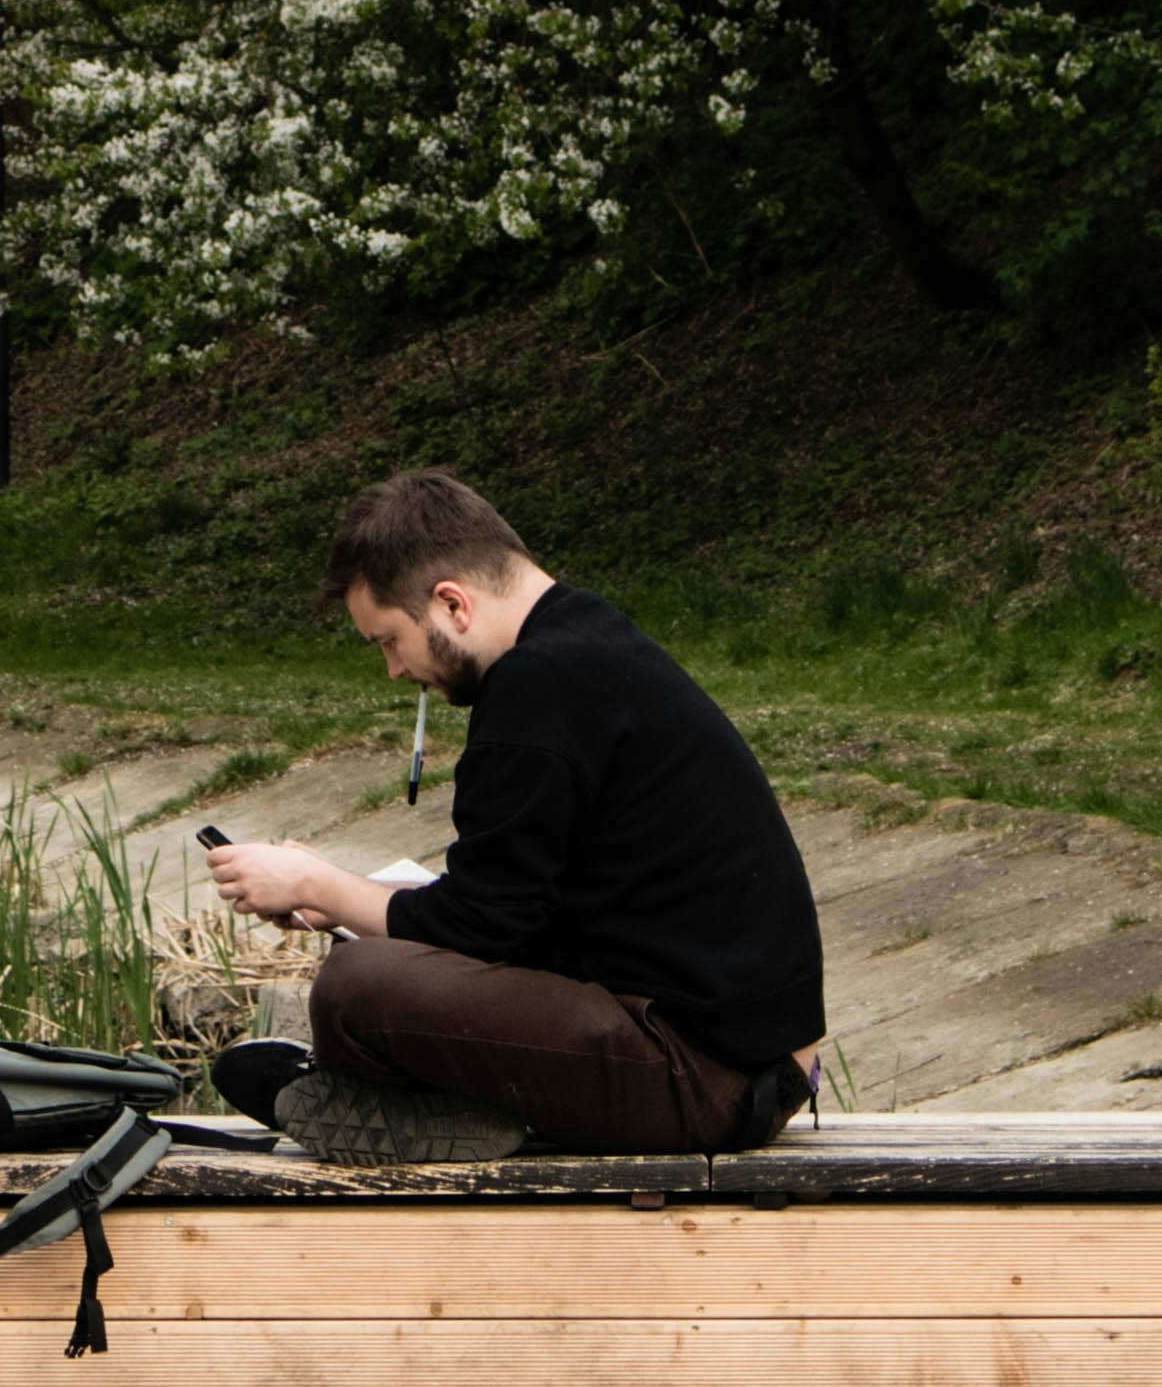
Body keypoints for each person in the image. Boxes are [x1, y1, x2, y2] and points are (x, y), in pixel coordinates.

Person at [205, 466, 828, 1164]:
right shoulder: (586, 645)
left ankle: (431, 1111)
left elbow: (482, 929)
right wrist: (336, 889)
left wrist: (320, 887)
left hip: (702, 1080)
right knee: (376, 954)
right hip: (746, 1065)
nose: (393, 670)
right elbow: (514, 915)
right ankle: (425, 1108)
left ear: (451, 605)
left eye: (386, 639)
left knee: (354, 989)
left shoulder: (535, 688)